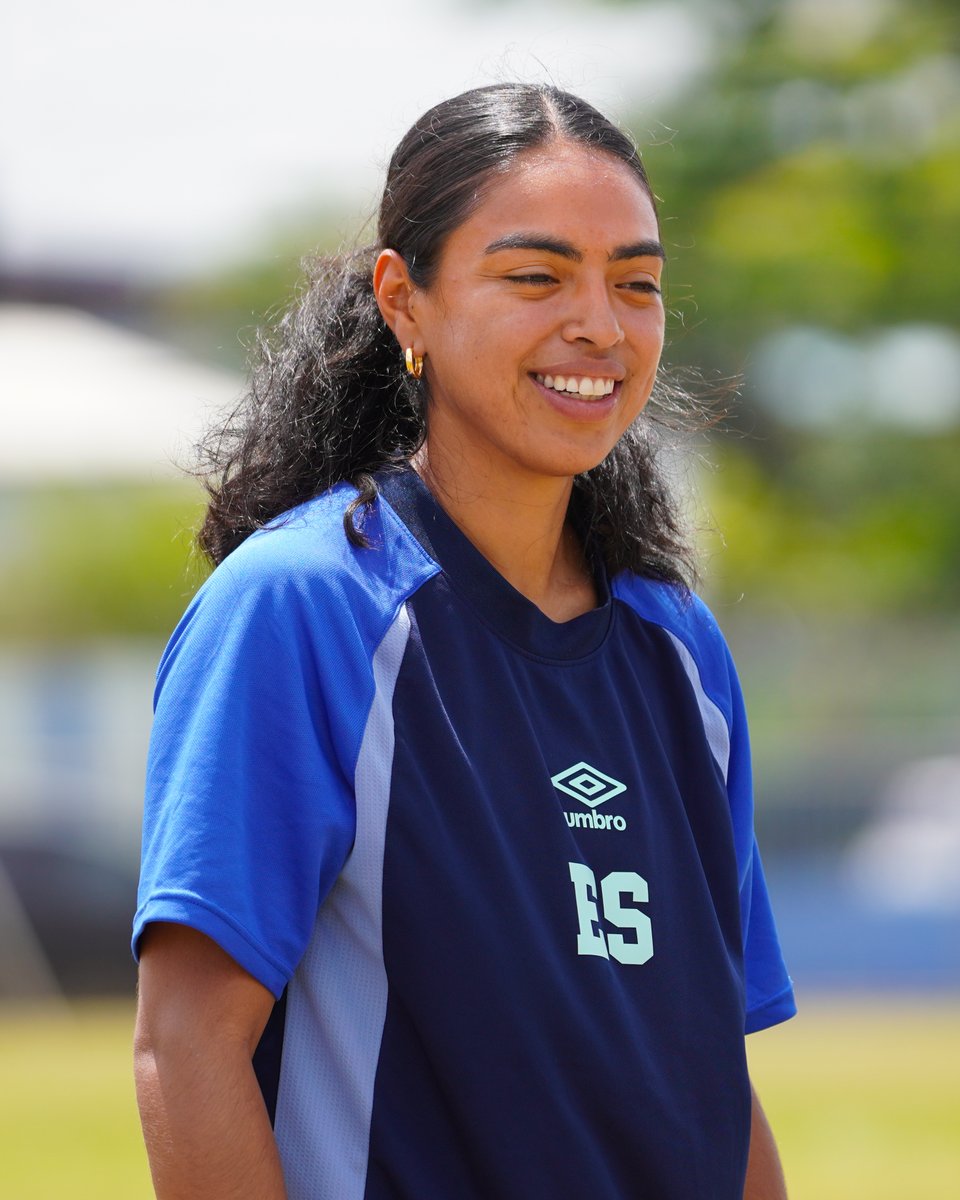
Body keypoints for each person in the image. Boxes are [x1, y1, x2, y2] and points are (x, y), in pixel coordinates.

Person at [132, 83, 796, 1200]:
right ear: (405, 301)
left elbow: (708, 1077)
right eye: (535, 276)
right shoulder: (306, 607)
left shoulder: (680, 649)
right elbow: (186, 1047)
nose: (599, 323)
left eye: (636, 284)